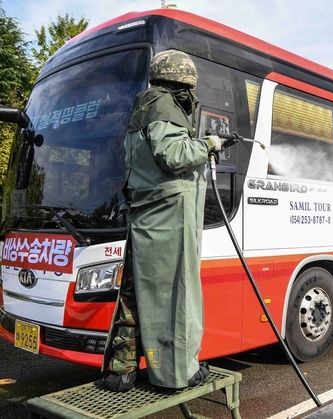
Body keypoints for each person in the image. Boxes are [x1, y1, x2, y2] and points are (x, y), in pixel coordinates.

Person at [101, 50, 223, 392]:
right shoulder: (165, 106)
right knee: (177, 296)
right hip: (170, 216)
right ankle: (178, 373)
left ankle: (121, 370)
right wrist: (211, 143)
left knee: (135, 294)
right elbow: (174, 155)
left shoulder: (142, 106)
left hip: (145, 214)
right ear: (182, 82)